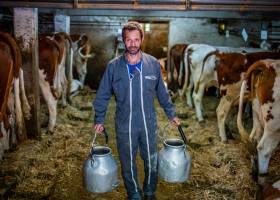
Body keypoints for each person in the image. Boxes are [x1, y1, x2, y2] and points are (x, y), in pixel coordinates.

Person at [93, 21, 180, 200]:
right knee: (127, 162)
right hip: (124, 123)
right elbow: (102, 94)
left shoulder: (153, 64)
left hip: (148, 122)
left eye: (136, 40)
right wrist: (99, 119)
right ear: (123, 41)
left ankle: (149, 191)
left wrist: (171, 114)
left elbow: (162, 93)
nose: (132, 44)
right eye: (128, 40)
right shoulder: (113, 66)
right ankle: (133, 193)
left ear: (142, 40)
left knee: (151, 159)